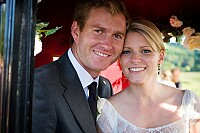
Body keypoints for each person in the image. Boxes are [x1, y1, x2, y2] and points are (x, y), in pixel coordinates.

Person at [32, 0, 129, 133]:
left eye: (117, 36)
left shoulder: (105, 87)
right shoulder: (41, 85)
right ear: (76, 32)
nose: (107, 45)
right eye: (98, 31)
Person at [97, 19, 200, 133]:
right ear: (119, 59)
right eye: (126, 52)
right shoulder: (109, 111)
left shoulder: (187, 102)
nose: (135, 59)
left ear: (160, 56)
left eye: (145, 51)